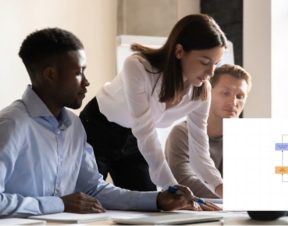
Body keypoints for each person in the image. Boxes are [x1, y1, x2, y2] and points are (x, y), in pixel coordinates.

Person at [0, 28, 218, 218]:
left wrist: (158, 200)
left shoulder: (74, 127)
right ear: (50, 74)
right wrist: (60, 204)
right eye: (79, 73)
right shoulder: (12, 124)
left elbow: (94, 189)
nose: (86, 82)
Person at [79, 14, 226, 196]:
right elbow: (145, 129)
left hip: (134, 139)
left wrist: (221, 187)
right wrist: (172, 187)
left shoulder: (201, 92)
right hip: (97, 128)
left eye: (216, 64)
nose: (210, 72)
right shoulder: (138, 66)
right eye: (204, 62)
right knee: (89, 198)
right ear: (179, 51)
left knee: (149, 205)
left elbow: (199, 151)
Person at [165, 64, 252, 198]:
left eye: (240, 96)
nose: (233, 102)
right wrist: (236, 199)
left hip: (230, 214)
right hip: (189, 214)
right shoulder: (182, 133)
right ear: (209, 93)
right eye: (225, 93)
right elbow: (184, 181)